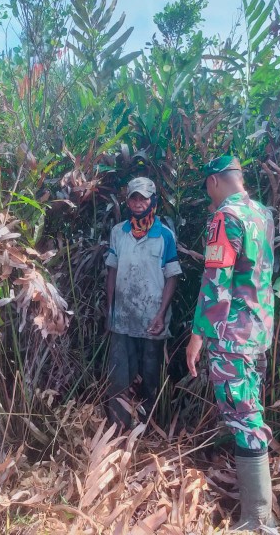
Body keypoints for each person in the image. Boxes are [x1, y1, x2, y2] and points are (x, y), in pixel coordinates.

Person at [186, 156, 276, 531]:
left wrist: (196, 336)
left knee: (245, 418)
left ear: (214, 182)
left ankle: (257, 519)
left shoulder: (226, 217)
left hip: (231, 335)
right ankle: (258, 512)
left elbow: (215, 282)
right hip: (259, 331)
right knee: (250, 411)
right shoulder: (263, 215)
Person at [105, 177, 182, 429]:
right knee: (119, 375)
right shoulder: (119, 232)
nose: (138, 203)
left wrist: (161, 314)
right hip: (123, 318)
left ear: (153, 201)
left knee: (151, 377)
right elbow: (112, 272)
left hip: (153, 320)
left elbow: (172, 276)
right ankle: (119, 427)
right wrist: (110, 310)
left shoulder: (165, 235)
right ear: (127, 201)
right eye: (133, 198)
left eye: (143, 198)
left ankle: (149, 429)